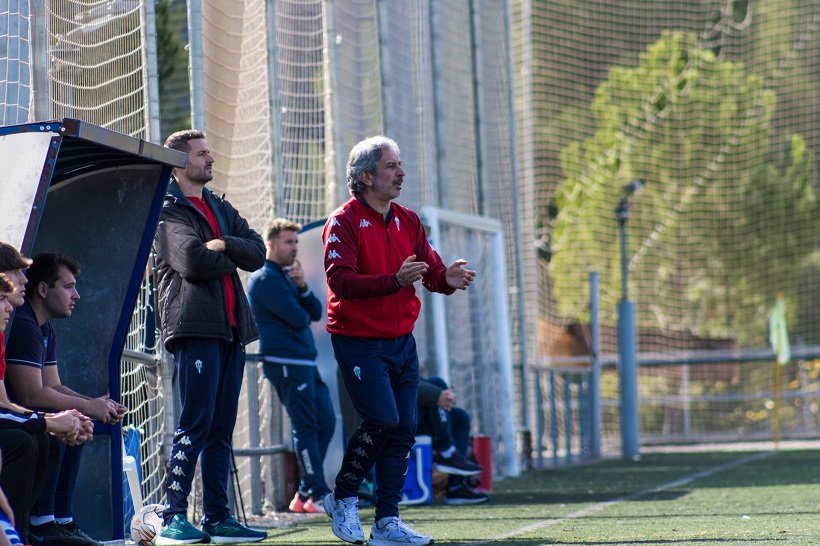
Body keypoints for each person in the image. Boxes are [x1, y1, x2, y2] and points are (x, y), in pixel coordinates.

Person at [322, 135, 476, 546]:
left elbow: (431, 271)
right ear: (367, 176)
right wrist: (394, 280)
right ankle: (343, 496)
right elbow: (340, 280)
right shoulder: (344, 221)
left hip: (401, 341)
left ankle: (387, 521)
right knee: (382, 420)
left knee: (405, 428)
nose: (401, 172)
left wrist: (448, 279)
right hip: (358, 340)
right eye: (391, 166)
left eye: (399, 164)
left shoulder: (408, 219)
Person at [153, 129, 267, 545]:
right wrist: (220, 252)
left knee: (220, 428)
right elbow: (194, 262)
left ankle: (219, 518)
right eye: (203, 154)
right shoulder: (166, 209)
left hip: (231, 330)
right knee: (195, 423)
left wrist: (223, 243)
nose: (211, 159)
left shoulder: (219, 206)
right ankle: (172, 515)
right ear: (180, 161)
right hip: (194, 328)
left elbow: (257, 253)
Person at [5, 254, 119, 546]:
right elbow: (32, 394)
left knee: (74, 418)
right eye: (68, 287)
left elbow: (53, 385)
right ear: (45, 290)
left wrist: (90, 405)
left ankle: (60, 520)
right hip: (16, 422)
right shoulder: (23, 324)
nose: (76, 295)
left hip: (19, 417)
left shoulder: (44, 327)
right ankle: (35, 524)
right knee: (50, 432)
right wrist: (81, 409)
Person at [247, 218, 335, 514]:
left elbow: (315, 310)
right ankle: (318, 493)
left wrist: (302, 285)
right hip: (285, 363)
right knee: (306, 425)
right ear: (271, 244)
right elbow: (300, 319)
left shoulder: (289, 277)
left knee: (327, 421)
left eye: (296, 242)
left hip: (304, 362)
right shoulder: (264, 279)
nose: (294, 248)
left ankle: (306, 491)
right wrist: (298, 294)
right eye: (288, 242)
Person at [416, 377, 488, 505]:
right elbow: (396, 384)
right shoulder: (374, 359)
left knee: (460, 418)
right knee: (437, 385)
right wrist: (439, 394)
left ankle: (456, 486)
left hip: (411, 412)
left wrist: (444, 396)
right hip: (392, 418)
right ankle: (447, 451)